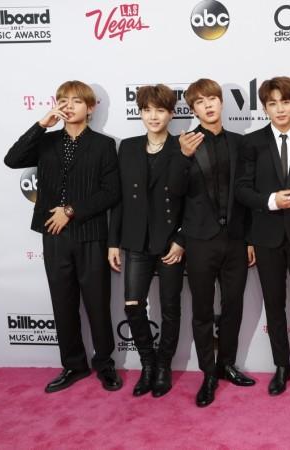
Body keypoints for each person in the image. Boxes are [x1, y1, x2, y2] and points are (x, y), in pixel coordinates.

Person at [4, 80, 122, 393]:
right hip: (54, 237)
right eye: (62, 100)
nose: (68, 106)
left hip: (90, 234)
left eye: (76, 101)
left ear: (91, 107)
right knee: (63, 302)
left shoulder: (104, 145)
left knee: (98, 303)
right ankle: (73, 365)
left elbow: (111, 193)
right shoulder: (45, 142)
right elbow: (12, 159)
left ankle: (105, 365)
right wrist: (41, 124)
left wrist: (70, 210)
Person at [168, 78, 256, 408]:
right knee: (203, 310)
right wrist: (182, 157)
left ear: (221, 103)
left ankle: (226, 365)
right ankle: (207, 373)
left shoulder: (240, 143)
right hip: (200, 240)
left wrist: (248, 238)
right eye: (199, 102)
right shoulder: (184, 143)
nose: (207, 105)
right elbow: (173, 192)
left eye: (212, 99)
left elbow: (247, 194)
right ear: (192, 109)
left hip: (235, 240)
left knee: (233, 306)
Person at [235, 76, 290, 398]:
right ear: (264, 108)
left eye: (285, 102)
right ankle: (282, 367)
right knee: (274, 306)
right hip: (266, 236)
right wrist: (271, 201)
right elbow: (242, 190)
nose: (280, 109)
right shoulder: (251, 143)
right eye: (272, 103)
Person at [108, 84, 185, 398]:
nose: (154, 116)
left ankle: (164, 367)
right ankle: (148, 364)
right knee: (133, 305)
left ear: (171, 113)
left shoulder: (183, 145)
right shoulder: (127, 147)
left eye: (161, 110)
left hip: (170, 242)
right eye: (148, 110)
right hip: (136, 241)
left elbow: (193, 200)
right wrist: (114, 242)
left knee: (169, 308)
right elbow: (120, 199)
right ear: (140, 112)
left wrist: (182, 240)